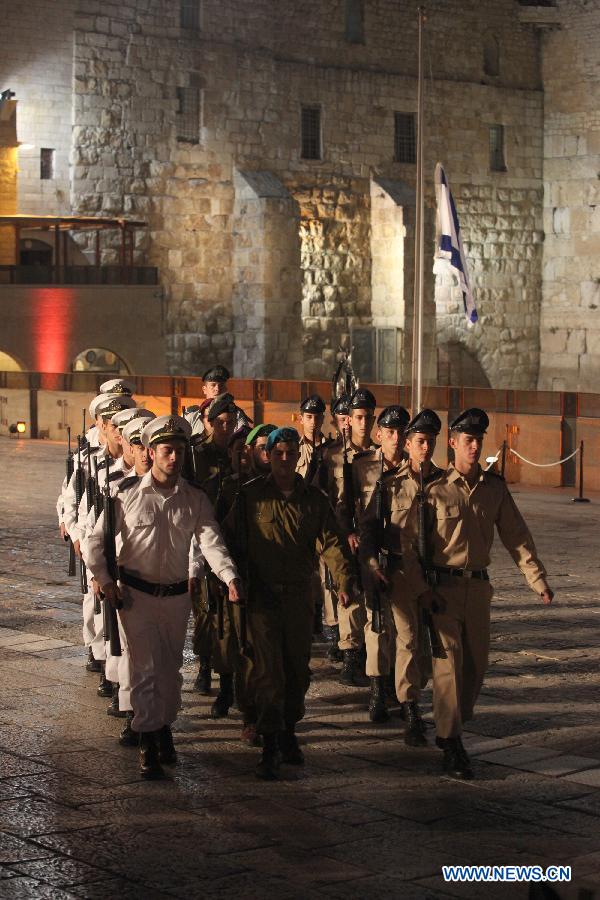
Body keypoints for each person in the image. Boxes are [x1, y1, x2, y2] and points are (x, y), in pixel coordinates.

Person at [86, 415, 242, 781]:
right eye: (167, 450)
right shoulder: (125, 495)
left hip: (175, 599)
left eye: (180, 451)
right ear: (152, 452)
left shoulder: (195, 498)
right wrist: (105, 580)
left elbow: (210, 541)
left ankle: (163, 726)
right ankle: (148, 742)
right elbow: (95, 542)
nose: (174, 458)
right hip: (135, 597)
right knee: (143, 668)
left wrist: (229, 576)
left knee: (170, 671)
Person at [402, 408, 554, 780]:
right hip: (443, 589)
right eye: (468, 440)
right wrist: (422, 590)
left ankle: (451, 723)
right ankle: (451, 741)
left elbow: (516, 536)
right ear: (452, 443)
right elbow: (409, 546)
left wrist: (538, 580)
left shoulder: (494, 488)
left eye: (479, 440)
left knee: (475, 667)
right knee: (449, 666)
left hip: (478, 589)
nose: (474, 446)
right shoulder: (432, 489)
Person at [224, 427, 354, 780]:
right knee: (267, 671)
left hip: (298, 598)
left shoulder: (313, 499)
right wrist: (230, 580)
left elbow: (331, 543)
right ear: (268, 454)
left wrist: (343, 581)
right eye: (276, 452)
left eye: (289, 453)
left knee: (297, 670)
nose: (283, 459)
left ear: (298, 456)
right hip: (261, 598)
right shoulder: (251, 496)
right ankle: (269, 742)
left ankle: (289, 730)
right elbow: (229, 540)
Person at [361, 408, 444, 742]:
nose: (426, 448)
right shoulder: (388, 485)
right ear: (409, 444)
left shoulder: (443, 482)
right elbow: (369, 529)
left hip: (437, 576)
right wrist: (371, 566)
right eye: (420, 441)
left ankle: (411, 692)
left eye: (431, 441)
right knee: (406, 640)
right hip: (400, 573)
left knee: (427, 649)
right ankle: (409, 707)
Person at [323, 388, 379, 666]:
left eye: (368, 417)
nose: (363, 422)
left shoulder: (380, 457)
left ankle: (370, 653)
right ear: (350, 419)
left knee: (372, 594)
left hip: (374, 534)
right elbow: (328, 500)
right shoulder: (334, 457)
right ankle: (350, 653)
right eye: (358, 417)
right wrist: (344, 531)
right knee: (347, 591)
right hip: (342, 532)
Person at [188, 392, 237, 694]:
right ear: (208, 422)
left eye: (230, 422)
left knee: (229, 618)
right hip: (201, 542)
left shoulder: (236, 451)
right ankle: (205, 667)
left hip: (229, 540)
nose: (226, 428)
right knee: (204, 613)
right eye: (220, 422)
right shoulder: (196, 455)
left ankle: (228, 677)